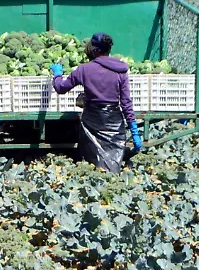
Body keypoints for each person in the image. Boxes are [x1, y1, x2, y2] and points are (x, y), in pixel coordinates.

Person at [50, 33, 142, 173]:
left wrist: (57, 74)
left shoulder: (84, 69)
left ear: (94, 50)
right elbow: (126, 103)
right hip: (114, 122)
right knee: (113, 162)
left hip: (92, 119)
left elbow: (61, 88)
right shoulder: (121, 71)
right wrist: (134, 131)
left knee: (92, 162)